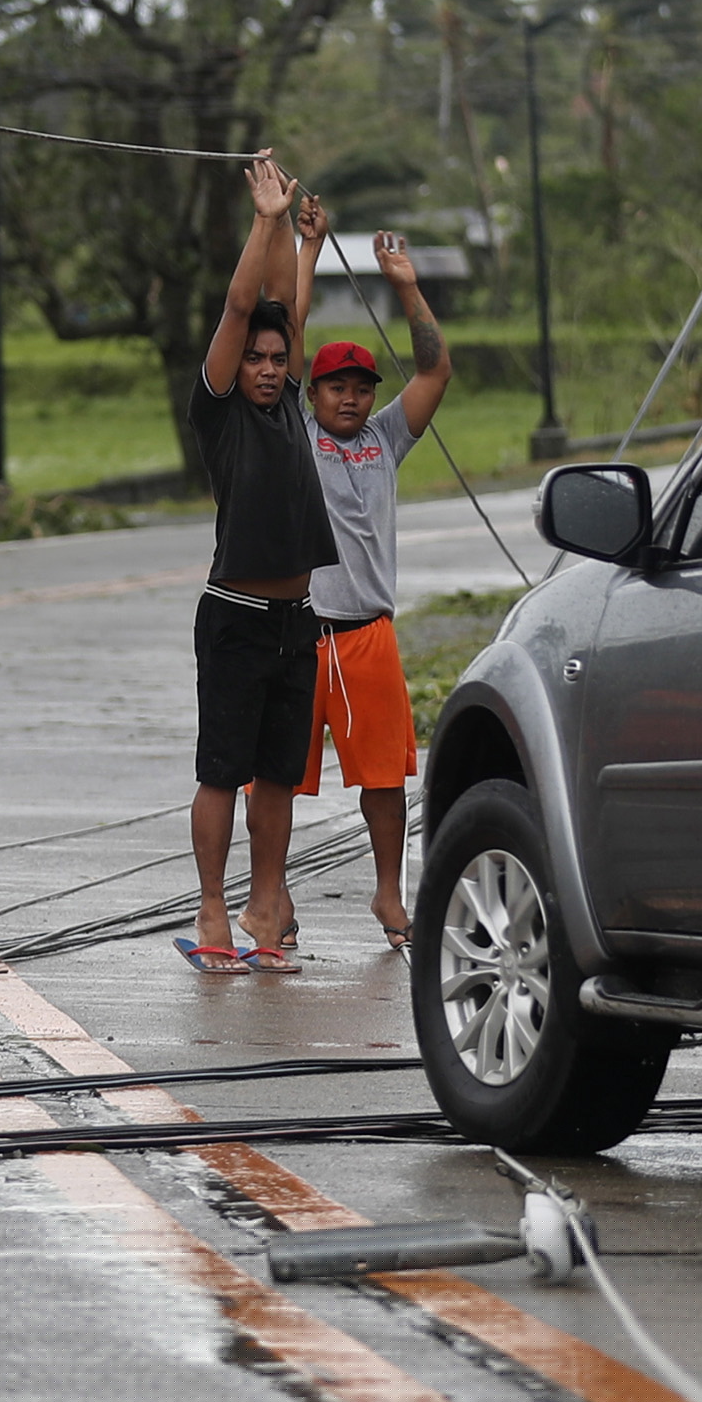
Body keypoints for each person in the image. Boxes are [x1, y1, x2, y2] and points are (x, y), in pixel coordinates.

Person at [178, 156, 338, 973]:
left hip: (295, 623)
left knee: (277, 778)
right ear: (234, 365)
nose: (270, 368)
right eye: (257, 359)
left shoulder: (289, 406)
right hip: (235, 619)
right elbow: (245, 306)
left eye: (278, 359)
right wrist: (265, 221)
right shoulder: (221, 411)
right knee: (222, 770)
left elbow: (285, 312)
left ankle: (265, 909)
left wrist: (306, 247)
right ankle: (212, 905)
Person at [289, 231, 455, 951]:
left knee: (385, 779)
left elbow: (435, 369)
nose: (350, 397)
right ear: (313, 393)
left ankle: (389, 894)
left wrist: (406, 284)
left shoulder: (387, 439)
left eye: (361, 387)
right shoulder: (295, 434)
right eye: (336, 386)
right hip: (299, 633)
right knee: (274, 778)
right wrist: (307, 248)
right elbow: (288, 339)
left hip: (368, 635)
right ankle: (272, 898)